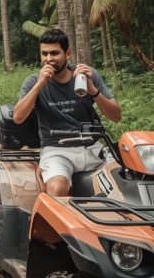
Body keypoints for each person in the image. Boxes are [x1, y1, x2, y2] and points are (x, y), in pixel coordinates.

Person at [13, 28, 121, 197]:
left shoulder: (86, 75)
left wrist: (93, 91)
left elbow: (116, 116)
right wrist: (39, 84)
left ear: (67, 53)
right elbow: (18, 117)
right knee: (57, 189)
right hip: (57, 150)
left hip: (92, 148)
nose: (49, 59)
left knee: (123, 180)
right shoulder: (33, 81)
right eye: (44, 54)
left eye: (55, 53)